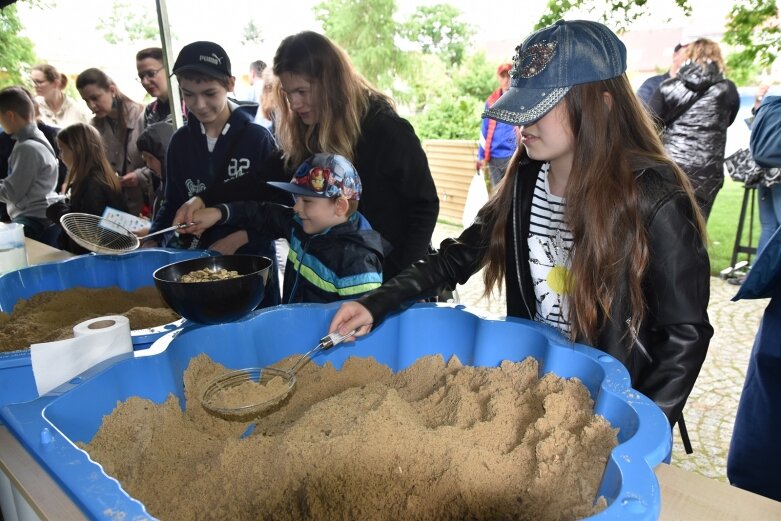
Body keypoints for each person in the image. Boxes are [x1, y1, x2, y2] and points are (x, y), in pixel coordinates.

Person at [328, 20, 713, 428]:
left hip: (611, 403)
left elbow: (684, 333)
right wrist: (376, 303)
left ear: (601, 105)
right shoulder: (526, 178)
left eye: (543, 104)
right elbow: (457, 257)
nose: (523, 121)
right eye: (521, 102)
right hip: (539, 392)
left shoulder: (654, 197)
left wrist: (643, 424)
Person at [174, 31, 439, 282]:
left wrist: (398, 282)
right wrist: (204, 198)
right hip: (339, 275)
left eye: (302, 91)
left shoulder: (387, 130)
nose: (295, 104)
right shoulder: (310, 135)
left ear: (332, 84)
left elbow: (424, 207)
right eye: (289, 93)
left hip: (390, 275)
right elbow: (260, 181)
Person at [148, 41, 284, 307]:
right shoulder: (179, 143)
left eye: (209, 93)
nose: (199, 105)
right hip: (198, 267)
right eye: (188, 94)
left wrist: (239, 238)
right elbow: (172, 200)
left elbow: (277, 208)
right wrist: (153, 239)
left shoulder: (257, 138)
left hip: (252, 265)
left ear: (230, 84)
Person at [187, 153, 384, 303]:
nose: (296, 207)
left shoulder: (358, 263)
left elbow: (358, 327)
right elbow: (263, 213)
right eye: (296, 199)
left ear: (340, 206)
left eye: (306, 201)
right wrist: (219, 213)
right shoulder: (301, 225)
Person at [648, 38, 740, 221]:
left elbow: (649, 125)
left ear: (688, 56)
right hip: (708, 174)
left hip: (672, 171)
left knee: (667, 233)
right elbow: (727, 121)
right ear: (717, 58)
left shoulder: (668, 88)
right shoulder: (727, 90)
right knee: (697, 233)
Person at [76, 68, 154, 218]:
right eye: (86, 100)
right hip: (113, 208)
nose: (92, 105)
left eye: (95, 98)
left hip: (144, 206)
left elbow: (162, 164)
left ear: (112, 90)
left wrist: (139, 176)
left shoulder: (143, 116)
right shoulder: (93, 127)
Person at [46, 123, 128, 254]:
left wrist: (56, 211)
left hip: (98, 257)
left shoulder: (92, 183)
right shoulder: (100, 177)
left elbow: (86, 227)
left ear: (77, 150)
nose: (60, 156)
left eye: (62, 150)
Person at [0, 86, 58, 240]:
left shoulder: (27, 148)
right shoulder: (35, 139)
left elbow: (12, 192)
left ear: (10, 116)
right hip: (38, 217)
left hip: (33, 221)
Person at [477, 63, 519, 189]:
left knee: (512, 192)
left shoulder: (519, 98)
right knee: (497, 194)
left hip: (513, 155)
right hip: (494, 157)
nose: (506, 80)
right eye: (503, 76)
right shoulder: (491, 101)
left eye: (509, 76)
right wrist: (480, 156)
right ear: (498, 78)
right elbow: (484, 129)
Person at [136, 121, 175, 221]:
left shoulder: (179, 189)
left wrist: (151, 231)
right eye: (145, 159)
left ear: (165, 155)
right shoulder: (163, 184)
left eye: (150, 158)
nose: (148, 165)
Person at [30, 63, 90, 127]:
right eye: (33, 81)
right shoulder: (32, 108)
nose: (34, 85)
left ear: (55, 83)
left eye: (39, 82)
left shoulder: (77, 111)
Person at [135, 47, 174, 127]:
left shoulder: (189, 105)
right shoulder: (150, 110)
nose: (145, 82)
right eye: (141, 77)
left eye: (151, 74)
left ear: (169, 69)